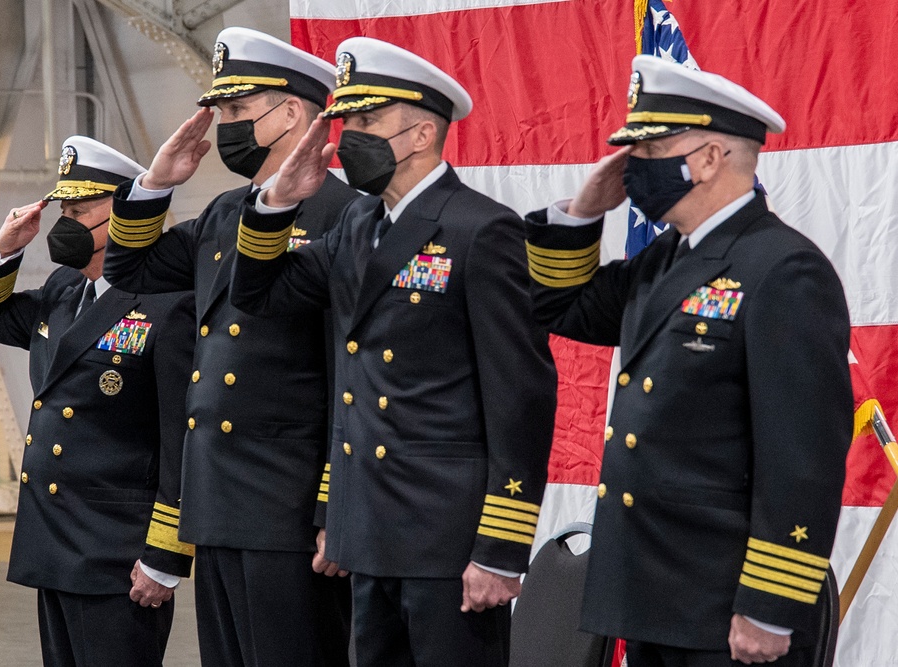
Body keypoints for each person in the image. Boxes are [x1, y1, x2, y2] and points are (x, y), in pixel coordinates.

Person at [228, 36, 558, 666]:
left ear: (420, 134)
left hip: (448, 542)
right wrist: (276, 204)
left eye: (368, 121)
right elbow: (259, 292)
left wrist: (501, 549)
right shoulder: (356, 224)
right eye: (348, 120)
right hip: (368, 534)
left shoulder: (479, 229)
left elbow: (521, 396)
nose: (347, 136)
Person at [524, 55, 852, 666]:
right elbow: (559, 306)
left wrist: (769, 606)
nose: (632, 166)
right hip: (657, 592)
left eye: (648, 149)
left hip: (724, 606)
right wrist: (582, 212)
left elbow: (802, 456)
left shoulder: (782, 269)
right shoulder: (669, 259)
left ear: (706, 159)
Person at [102, 27, 357, 667]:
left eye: (239, 112)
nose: (225, 129)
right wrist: (156, 182)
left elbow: (346, 370)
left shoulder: (343, 215)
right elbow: (129, 271)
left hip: (289, 502)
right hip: (217, 501)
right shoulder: (222, 215)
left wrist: (334, 502)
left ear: (292, 112)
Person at [0, 136, 195, 667]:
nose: (65, 222)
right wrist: (4, 248)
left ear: (124, 211)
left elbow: (179, 433)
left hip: (116, 550)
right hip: (55, 541)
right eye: (63, 209)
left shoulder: (167, 303)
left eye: (80, 209)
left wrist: (166, 554)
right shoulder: (64, 291)